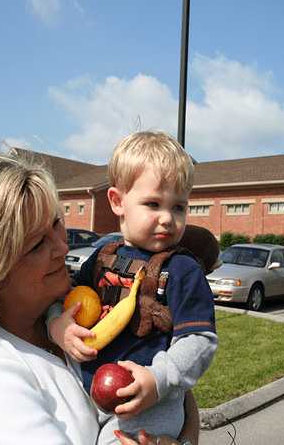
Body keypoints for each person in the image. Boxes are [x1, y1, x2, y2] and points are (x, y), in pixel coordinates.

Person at [0, 152, 199, 445]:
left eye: (56, 223)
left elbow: (173, 384)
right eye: (38, 243)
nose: (63, 247)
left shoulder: (65, 318)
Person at [49, 131, 217, 445]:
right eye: (153, 204)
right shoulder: (102, 257)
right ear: (117, 201)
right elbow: (66, 300)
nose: (168, 218)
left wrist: (158, 379)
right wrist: (57, 324)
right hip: (88, 389)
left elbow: (199, 341)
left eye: (179, 207)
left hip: (149, 404)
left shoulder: (182, 269)